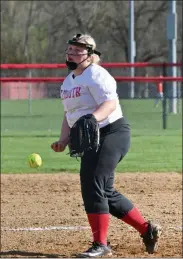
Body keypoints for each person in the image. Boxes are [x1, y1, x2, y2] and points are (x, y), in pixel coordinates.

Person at [51, 33, 162, 258]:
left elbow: (110, 103)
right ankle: (147, 230)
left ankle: (100, 245)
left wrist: (93, 118)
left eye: (78, 50)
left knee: (93, 183)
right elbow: (69, 113)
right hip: (93, 136)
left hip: (112, 132)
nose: (72, 53)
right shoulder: (68, 80)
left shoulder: (96, 74)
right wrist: (63, 139)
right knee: (105, 191)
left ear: (90, 55)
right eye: (70, 49)